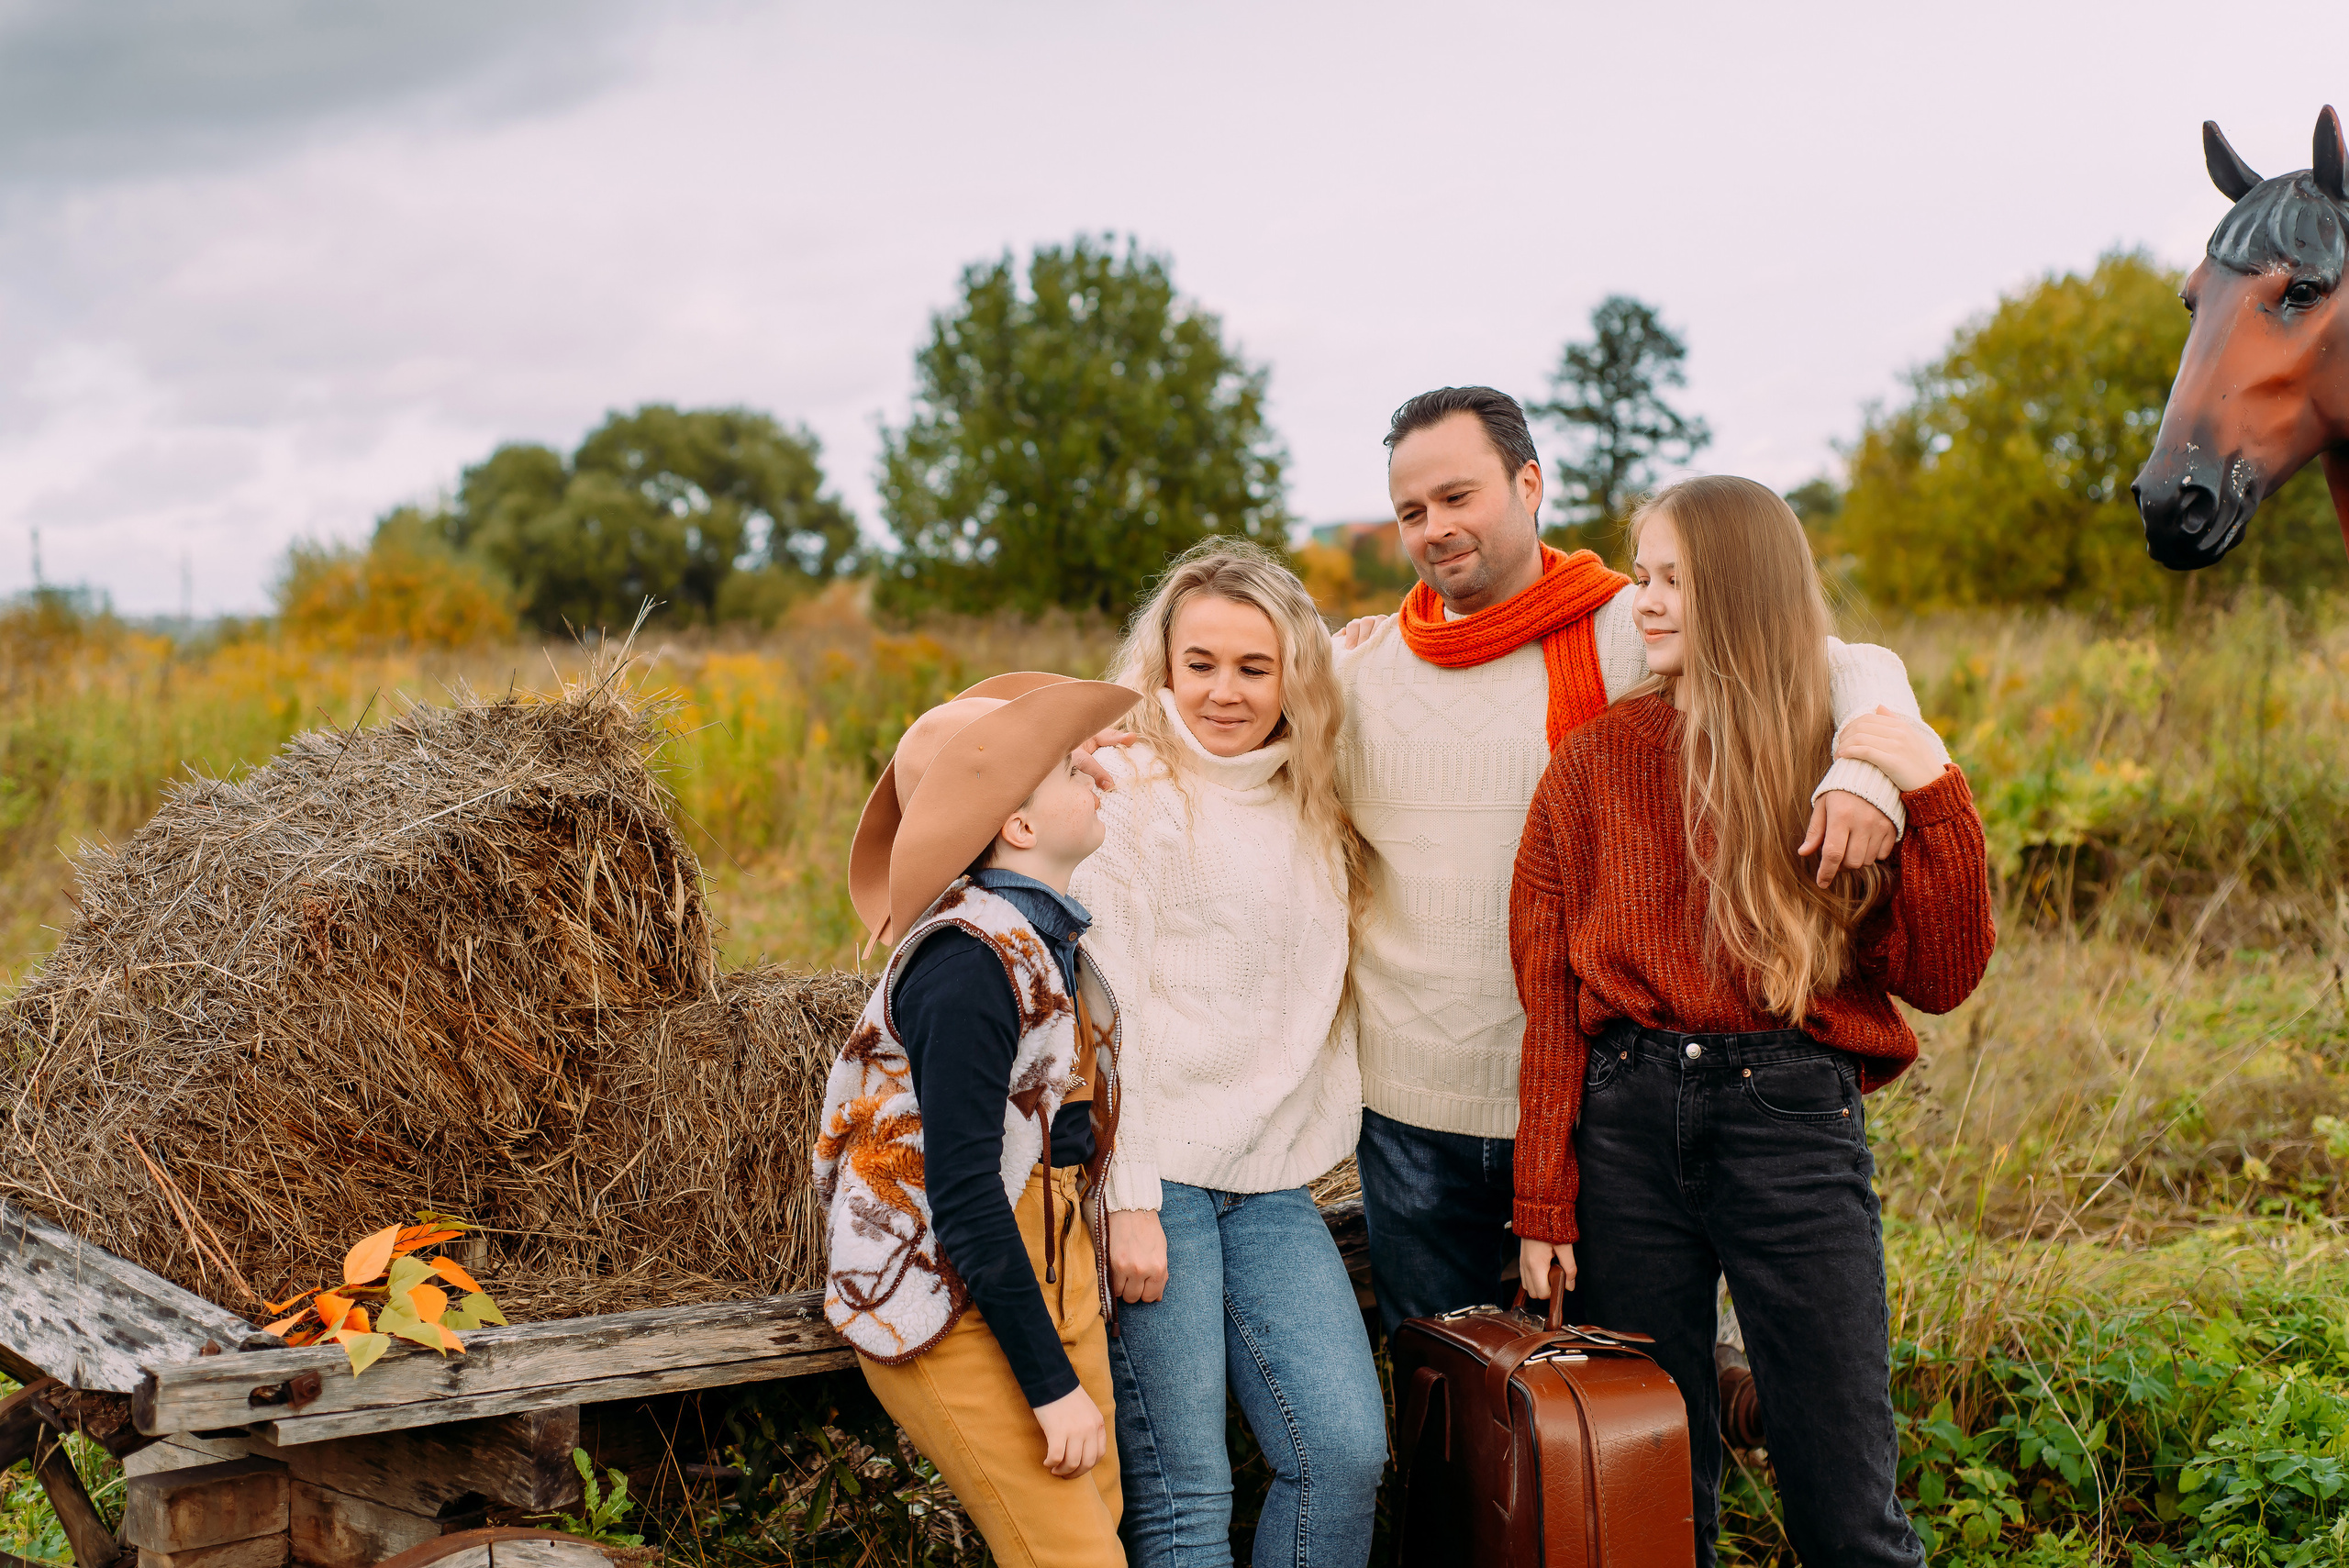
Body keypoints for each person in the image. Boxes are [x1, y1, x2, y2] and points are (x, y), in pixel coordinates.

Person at [1332, 385, 1929, 1332]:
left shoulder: (1633, 624)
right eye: (1411, 511)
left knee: (1616, 1393)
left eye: (1457, 496)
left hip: (1597, 1100)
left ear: (1529, 484)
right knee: (1446, 1386)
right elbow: (1210, 709)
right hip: (1413, 1112)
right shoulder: (1362, 668)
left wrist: (1865, 771)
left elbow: (1840, 662)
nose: (1434, 528)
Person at [1509, 474, 1995, 1566]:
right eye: (1641, 576)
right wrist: (1542, 1195)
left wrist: (1929, 790)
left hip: (1790, 1121)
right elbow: (1548, 1001)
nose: (1644, 601)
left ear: (1743, 589)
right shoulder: (1591, 763)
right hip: (1624, 1129)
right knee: (1645, 1497)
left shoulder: (1841, 764)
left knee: (1844, 1496)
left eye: (1673, 580)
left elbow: (1942, 974)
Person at [1076, 540, 1387, 1568]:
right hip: (1153, 1177)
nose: (1223, 691)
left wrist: (1373, 643)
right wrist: (1126, 1198)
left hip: (1268, 1181)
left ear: (1295, 675)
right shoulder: (1125, 790)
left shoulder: (1315, 795)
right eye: (1199, 663)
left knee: (1343, 1451)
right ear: (1162, 664)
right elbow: (1102, 1006)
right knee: (1187, 1492)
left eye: (1255, 667)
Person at [814, 671, 1141, 1568]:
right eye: (1072, 770)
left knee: (1094, 1525)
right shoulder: (966, 966)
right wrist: (1050, 1387)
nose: (1097, 776)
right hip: (945, 1292)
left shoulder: (1032, 934)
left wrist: (1063, 759)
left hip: (1048, 1256)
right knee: (1074, 1558)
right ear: (1021, 827)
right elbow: (961, 1195)